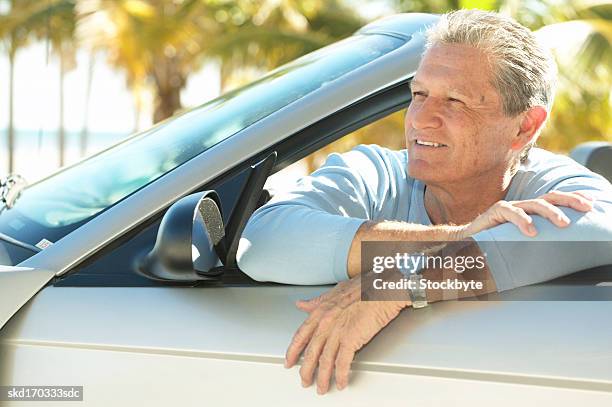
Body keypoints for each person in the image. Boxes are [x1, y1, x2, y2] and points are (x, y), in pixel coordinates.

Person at [236, 9, 612, 395]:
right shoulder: (374, 173)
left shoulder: (557, 183)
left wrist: (402, 282)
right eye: (419, 94)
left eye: (455, 100)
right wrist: (458, 237)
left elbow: (596, 233)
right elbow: (260, 243)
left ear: (524, 126)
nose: (421, 119)